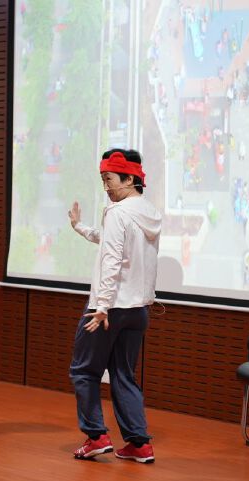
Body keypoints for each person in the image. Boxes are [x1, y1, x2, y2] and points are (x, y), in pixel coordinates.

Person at [67, 148, 162, 463]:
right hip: (138, 310)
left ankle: (96, 437)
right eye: (102, 179)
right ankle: (139, 444)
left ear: (130, 178)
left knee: (83, 370)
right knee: (123, 374)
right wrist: (80, 227)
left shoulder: (117, 212)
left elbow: (112, 259)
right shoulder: (148, 212)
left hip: (108, 308)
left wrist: (103, 305)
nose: (105, 186)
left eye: (108, 179)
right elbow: (113, 241)